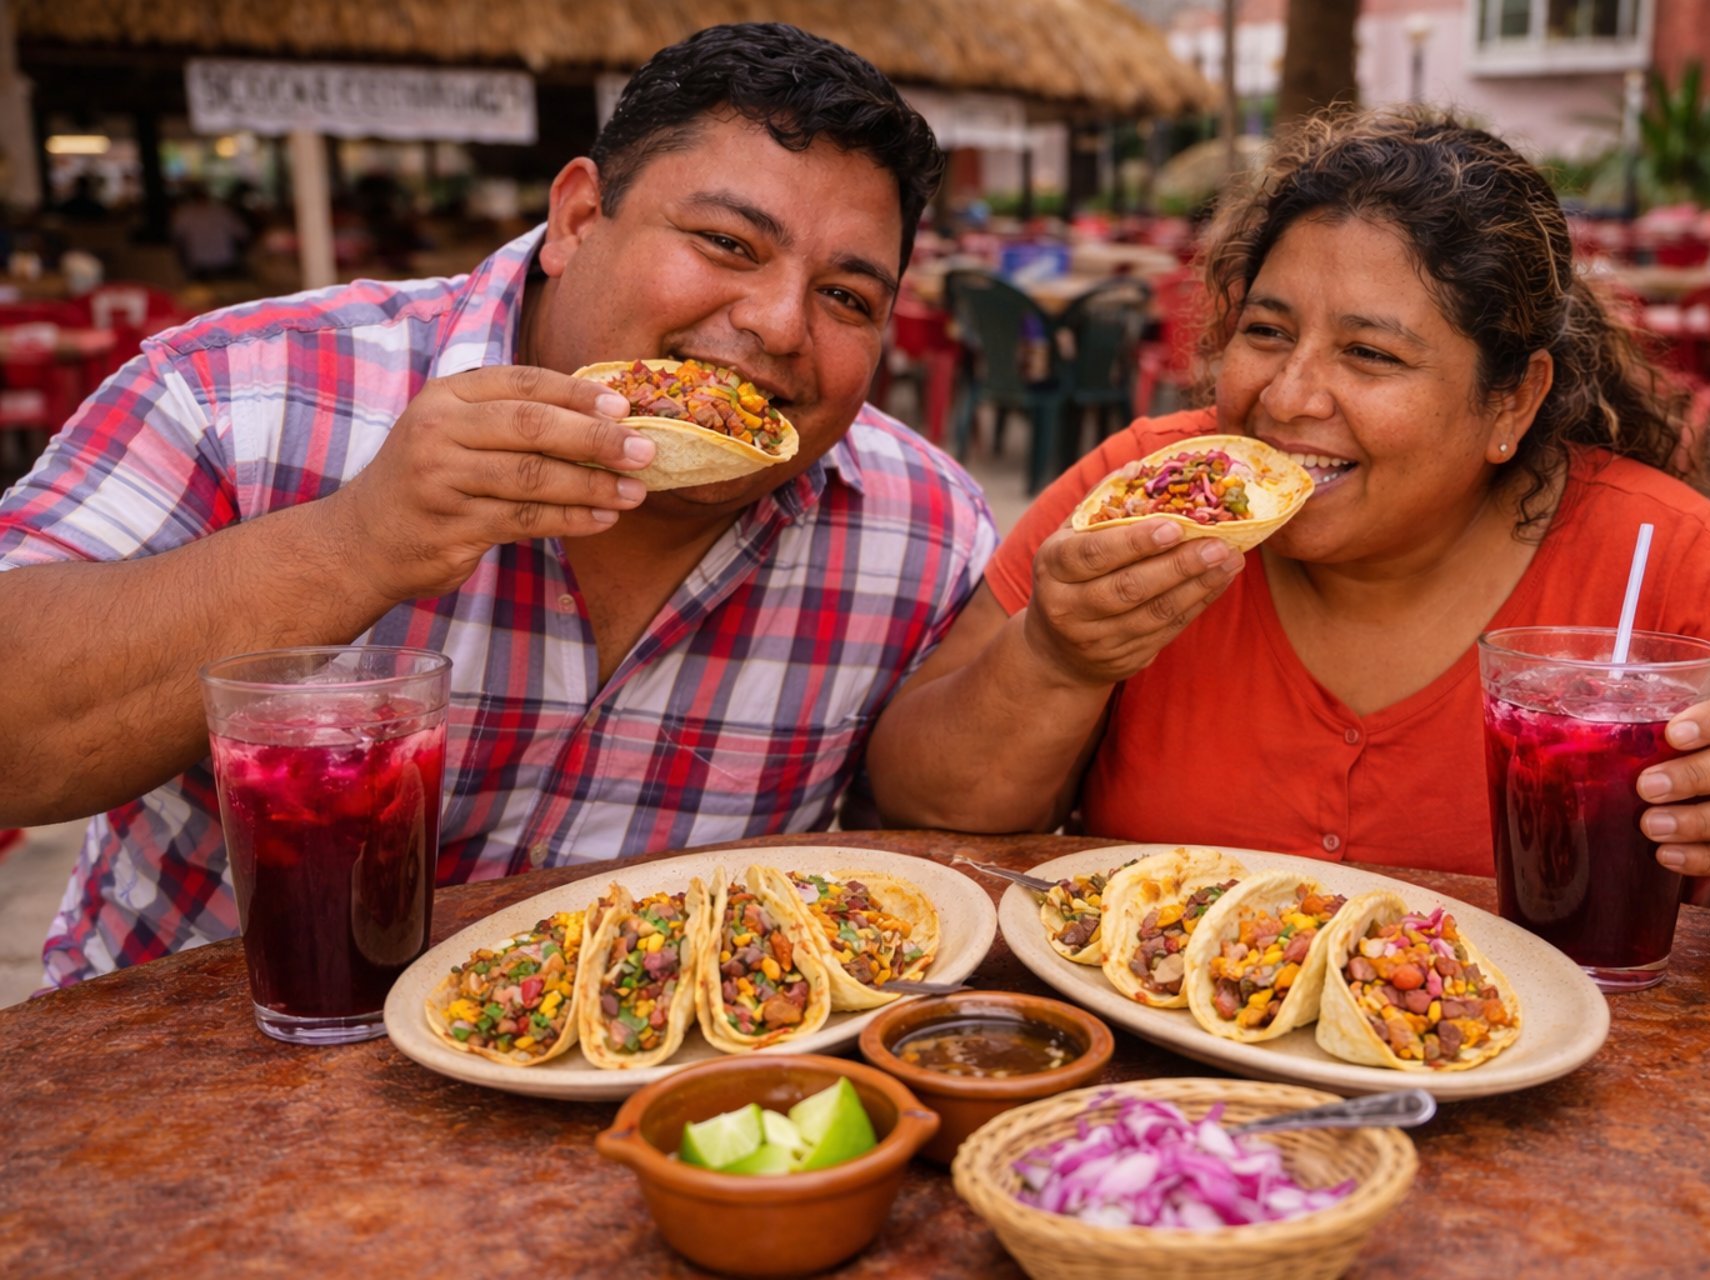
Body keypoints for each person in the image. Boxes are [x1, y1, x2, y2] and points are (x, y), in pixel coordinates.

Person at [0, 23, 992, 988]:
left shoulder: (924, 530)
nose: (779, 324)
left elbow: (927, 853)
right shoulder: (246, 391)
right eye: (727, 242)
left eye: (849, 299)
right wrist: (352, 546)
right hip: (186, 1075)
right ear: (575, 219)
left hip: (631, 1114)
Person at [865, 111, 1710, 942]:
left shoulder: (1654, 550)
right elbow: (914, 796)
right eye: (1266, 331)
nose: (1288, 395)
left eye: (1371, 356)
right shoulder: (1154, 486)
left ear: (1511, 402)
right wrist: (1056, 656)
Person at [169, 181, 251, 280]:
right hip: (223, 262)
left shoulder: (183, 214)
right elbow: (242, 234)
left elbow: (176, 238)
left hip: (201, 265)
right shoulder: (223, 211)